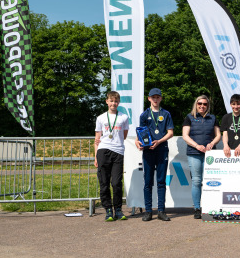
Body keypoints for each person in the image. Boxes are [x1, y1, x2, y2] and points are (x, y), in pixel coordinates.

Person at [136, 88, 174, 222]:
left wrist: (159, 141)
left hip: (162, 149)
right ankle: (148, 211)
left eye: (158, 97)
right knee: (148, 181)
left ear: (161, 98)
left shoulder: (166, 114)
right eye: (153, 97)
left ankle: (161, 211)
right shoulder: (144, 115)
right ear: (149, 99)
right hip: (148, 150)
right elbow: (140, 133)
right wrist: (139, 142)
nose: (155, 99)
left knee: (161, 181)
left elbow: (170, 132)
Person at [182, 95, 221, 219]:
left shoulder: (213, 118)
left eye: (204, 104)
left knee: (210, 181)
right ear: (196, 104)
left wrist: (212, 143)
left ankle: (210, 207)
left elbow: (218, 135)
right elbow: (185, 135)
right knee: (197, 181)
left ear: (207, 106)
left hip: (210, 154)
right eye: (200, 103)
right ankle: (197, 208)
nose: (202, 106)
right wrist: (197, 146)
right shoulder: (189, 117)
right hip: (194, 153)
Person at [94, 90, 130, 222]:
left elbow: (124, 136)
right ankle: (108, 210)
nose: (113, 103)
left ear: (118, 102)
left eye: (116, 101)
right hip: (103, 150)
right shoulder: (101, 118)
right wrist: (96, 156)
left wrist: (116, 143)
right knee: (104, 182)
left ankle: (118, 210)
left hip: (118, 151)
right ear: (107, 102)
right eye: (111, 101)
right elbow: (97, 138)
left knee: (116, 183)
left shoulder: (124, 117)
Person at [220, 94, 240, 158]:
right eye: (233, 104)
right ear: (230, 104)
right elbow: (225, 134)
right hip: (229, 150)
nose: (236, 106)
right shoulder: (226, 117)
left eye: (238, 104)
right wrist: (225, 145)